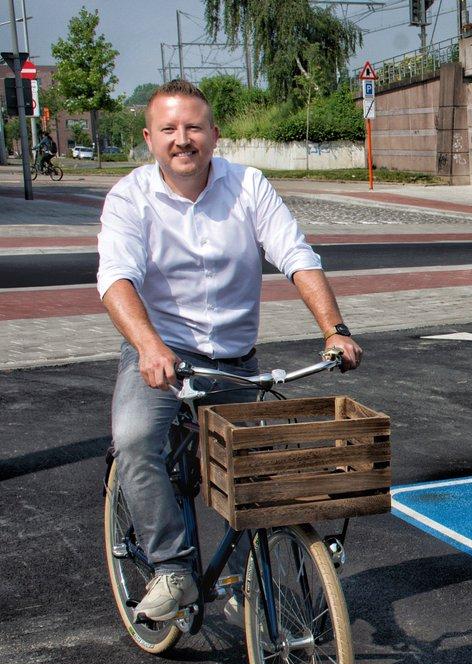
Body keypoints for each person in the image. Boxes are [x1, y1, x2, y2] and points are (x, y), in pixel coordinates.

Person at [97, 79, 363, 621]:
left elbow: (296, 255)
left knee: (255, 477)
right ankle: (172, 569)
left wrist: (334, 329)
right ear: (150, 139)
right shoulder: (130, 197)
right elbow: (116, 279)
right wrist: (148, 346)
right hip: (162, 358)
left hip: (235, 362)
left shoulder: (249, 187)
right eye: (169, 129)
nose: (183, 139)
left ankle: (248, 573)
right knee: (135, 440)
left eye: (194, 127)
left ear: (214, 135)